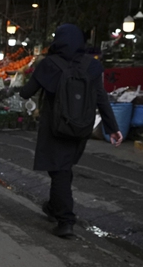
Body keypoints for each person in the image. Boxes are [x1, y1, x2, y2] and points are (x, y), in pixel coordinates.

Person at [19, 24, 123, 239]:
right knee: (62, 169)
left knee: (60, 171)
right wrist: (112, 128)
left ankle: (66, 220)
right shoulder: (91, 67)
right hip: (80, 128)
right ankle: (53, 208)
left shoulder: (49, 65)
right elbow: (101, 97)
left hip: (54, 127)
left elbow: (26, 92)